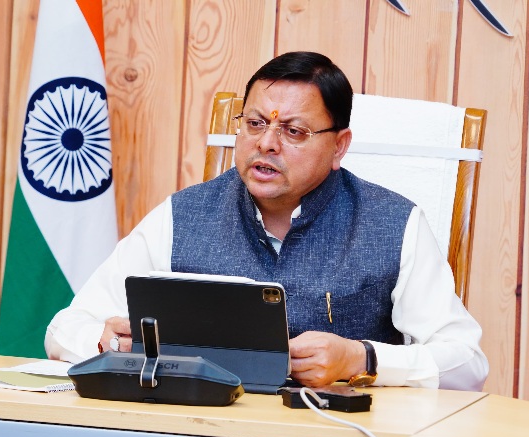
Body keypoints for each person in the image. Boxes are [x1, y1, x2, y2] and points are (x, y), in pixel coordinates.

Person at [45, 51, 489, 391]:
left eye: (293, 131)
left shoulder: (394, 224)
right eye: (255, 123)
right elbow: (64, 329)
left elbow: (467, 363)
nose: (266, 144)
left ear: (339, 146)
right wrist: (107, 344)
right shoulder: (183, 215)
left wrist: (363, 359)